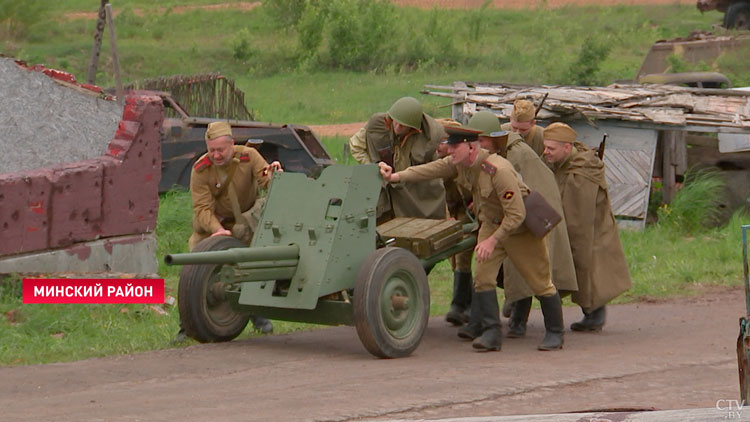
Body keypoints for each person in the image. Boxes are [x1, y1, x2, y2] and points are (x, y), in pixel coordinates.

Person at [379, 125, 565, 352]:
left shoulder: (498, 170)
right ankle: (491, 333)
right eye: (449, 145)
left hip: (518, 230)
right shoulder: (460, 164)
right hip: (490, 224)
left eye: (454, 146)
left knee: (540, 281)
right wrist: (396, 176)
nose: (449, 151)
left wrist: (492, 241)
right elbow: (431, 169)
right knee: (483, 278)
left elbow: (517, 214)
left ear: (471, 147)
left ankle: (555, 333)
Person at [468, 111, 577, 338]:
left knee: (534, 278)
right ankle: (489, 330)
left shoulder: (515, 155)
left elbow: (525, 196)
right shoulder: (486, 159)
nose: (475, 146)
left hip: (523, 223)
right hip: (500, 222)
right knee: (484, 275)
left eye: (481, 141)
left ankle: (550, 331)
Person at [184, 121, 282, 336]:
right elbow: (201, 208)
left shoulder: (249, 157)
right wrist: (217, 230)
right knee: (194, 270)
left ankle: (257, 314)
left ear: (231, 144)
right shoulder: (201, 169)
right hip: (212, 224)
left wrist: (275, 174)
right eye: (211, 150)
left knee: (251, 266)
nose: (216, 155)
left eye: (220, 150)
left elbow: (268, 182)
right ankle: (187, 326)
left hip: (245, 224)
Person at [542, 122, 632, 332]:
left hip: (591, 229)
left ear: (566, 148)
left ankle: (594, 315)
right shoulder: (564, 161)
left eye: (551, 149)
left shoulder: (580, 172)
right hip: (578, 225)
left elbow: (577, 220)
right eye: (545, 147)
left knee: (590, 269)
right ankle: (591, 313)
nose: (546, 152)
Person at [349, 96, 447, 221]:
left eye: (402, 125)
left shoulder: (429, 140)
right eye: (395, 121)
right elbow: (356, 146)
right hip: (384, 188)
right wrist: (373, 167)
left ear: (413, 129)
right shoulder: (377, 126)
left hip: (414, 190)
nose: (397, 127)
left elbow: (438, 169)